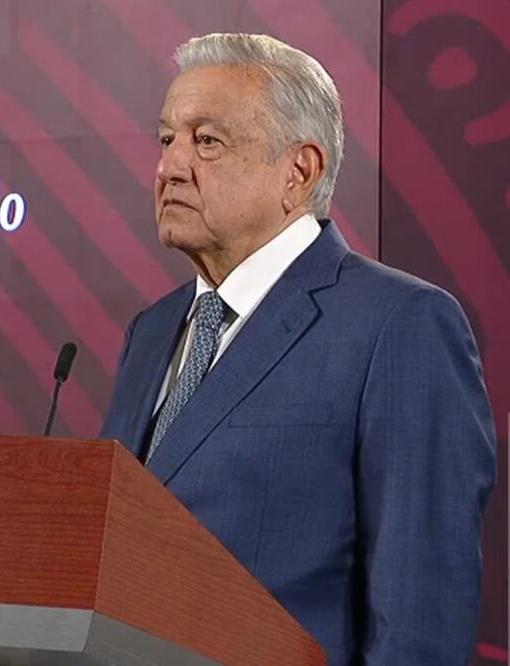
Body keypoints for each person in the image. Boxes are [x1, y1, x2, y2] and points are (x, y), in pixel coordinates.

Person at [100, 33, 495, 664]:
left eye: (207, 141)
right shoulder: (151, 332)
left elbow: (422, 617)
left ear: (299, 171)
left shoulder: (400, 324)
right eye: (167, 139)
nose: (170, 167)